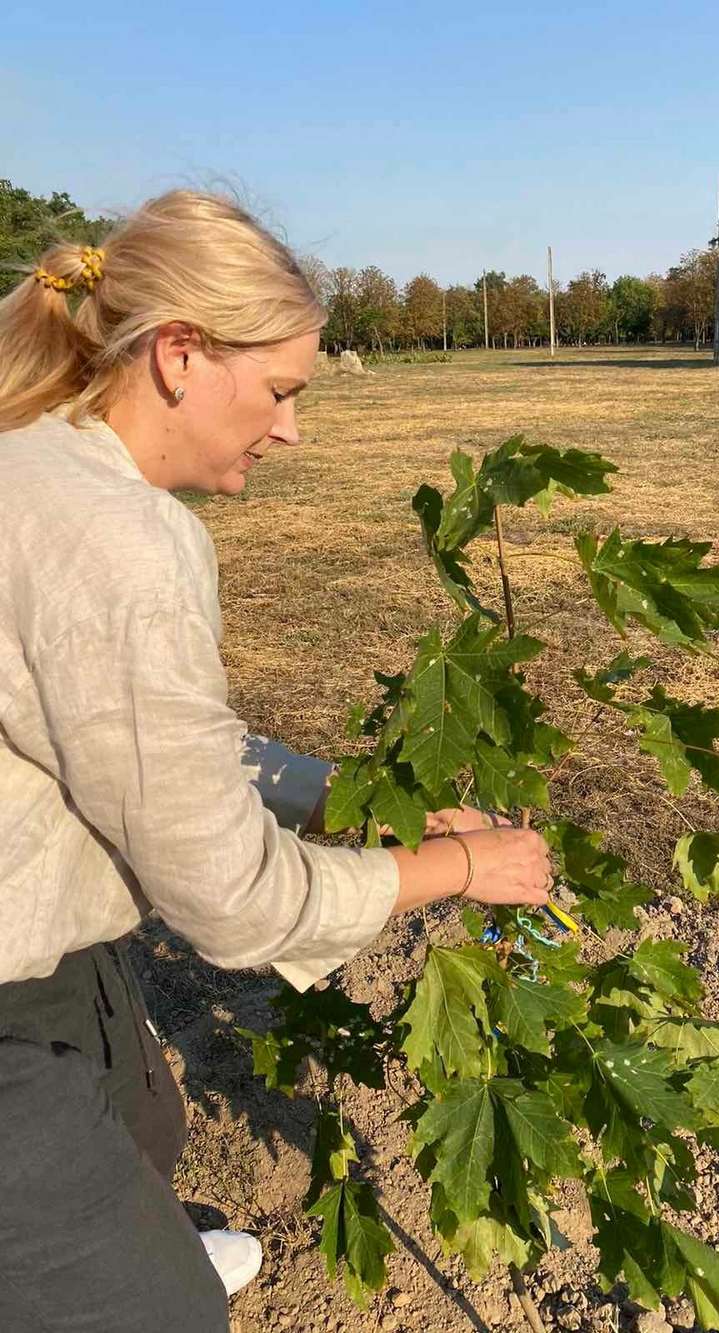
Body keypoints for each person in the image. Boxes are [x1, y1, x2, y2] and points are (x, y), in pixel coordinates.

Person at [0, 190, 554, 1333]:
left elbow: (144, 744)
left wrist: (328, 794)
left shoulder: (33, 459)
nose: (292, 430)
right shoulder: (123, 538)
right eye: (284, 391)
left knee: (143, 1119)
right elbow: (236, 905)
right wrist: (456, 870)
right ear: (180, 356)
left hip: (35, 928)